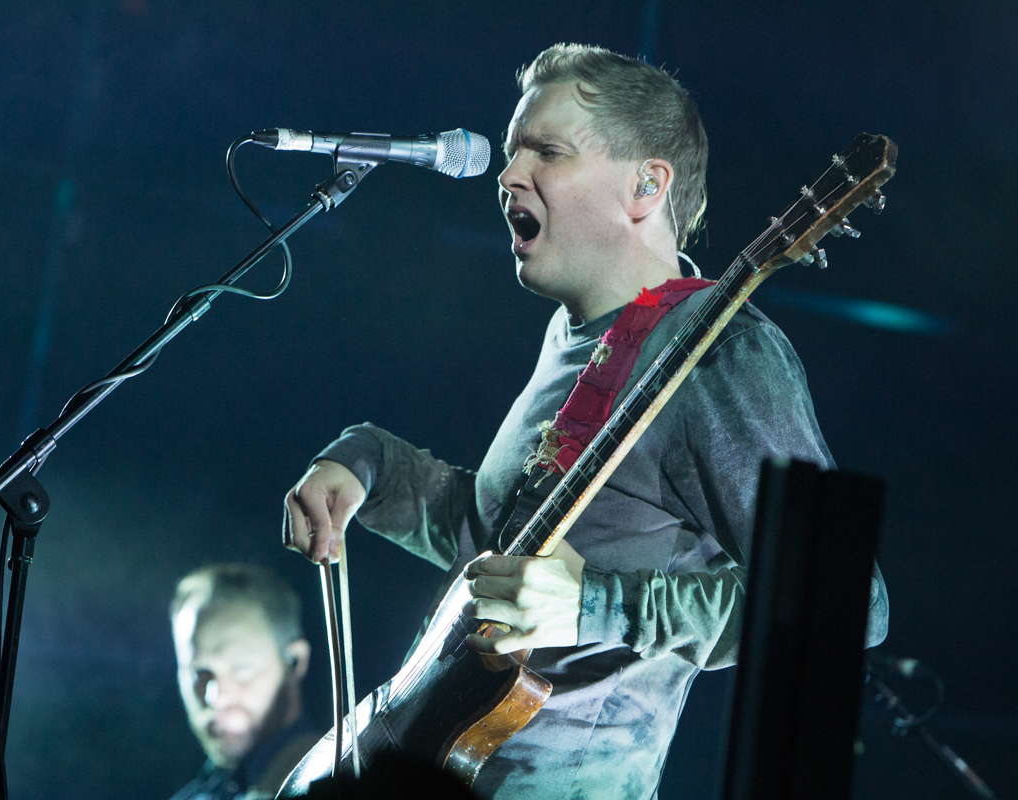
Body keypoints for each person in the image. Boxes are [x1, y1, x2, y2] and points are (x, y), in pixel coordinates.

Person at [282, 43, 889, 799]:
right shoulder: (578, 339)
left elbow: (846, 605)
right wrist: (364, 463)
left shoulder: (721, 355)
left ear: (645, 185)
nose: (507, 176)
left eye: (547, 151)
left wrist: (593, 604)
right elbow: (490, 552)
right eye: (511, 153)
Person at [168, 563, 318, 800]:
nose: (214, 697)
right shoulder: (203, 791)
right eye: (198, 672)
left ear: (294, 661)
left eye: (241, 668)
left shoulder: (338, 777)